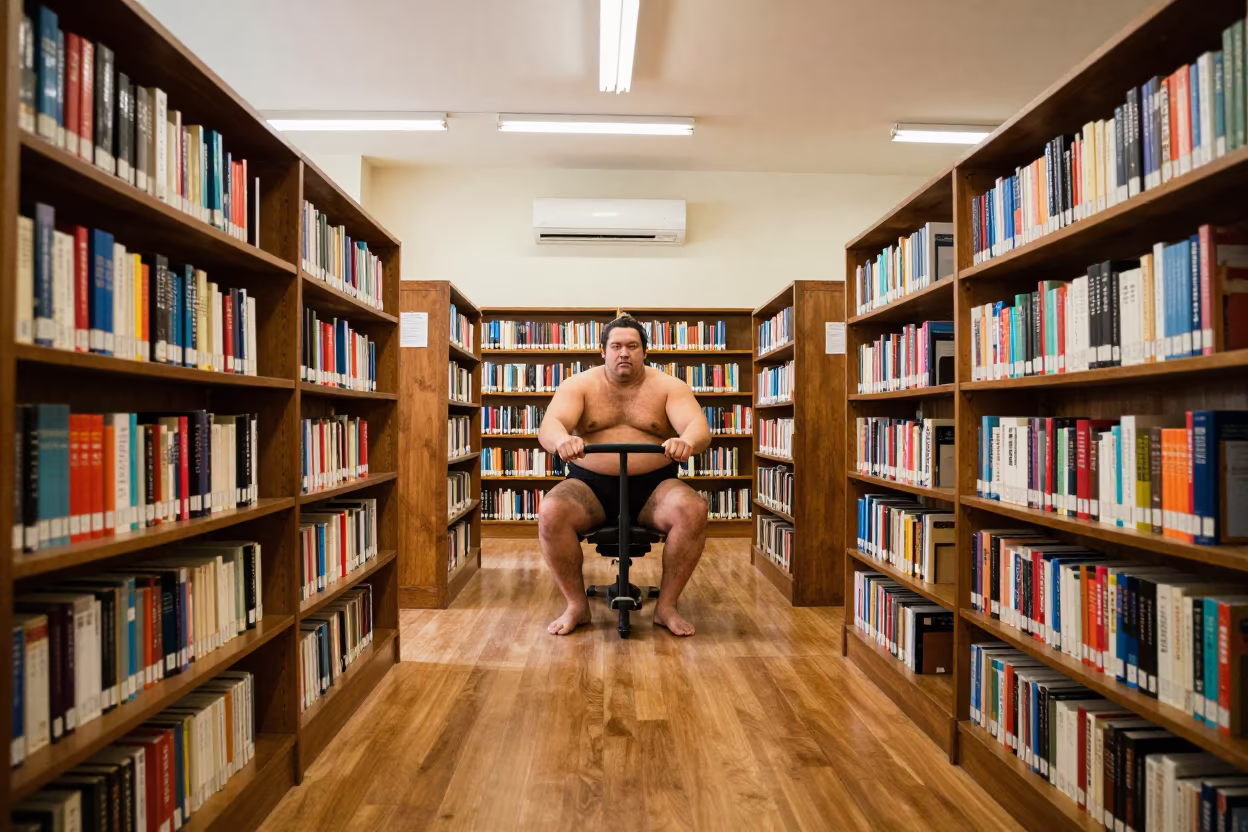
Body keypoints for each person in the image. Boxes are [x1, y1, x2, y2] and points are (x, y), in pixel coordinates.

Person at [537, 315, 712, 636]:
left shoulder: (670, 387)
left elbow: (698, 427)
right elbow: (550, 425)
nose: (624, 353)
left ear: (645, 351)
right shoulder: (578, 385)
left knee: (694, 509)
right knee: (551, 511)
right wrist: (562, 440)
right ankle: (576, 605)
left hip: (654, 487)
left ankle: (667, 606)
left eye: (632, 346)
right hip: (588, 486)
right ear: (602, 351)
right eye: (616, 346)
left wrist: (686, 441)